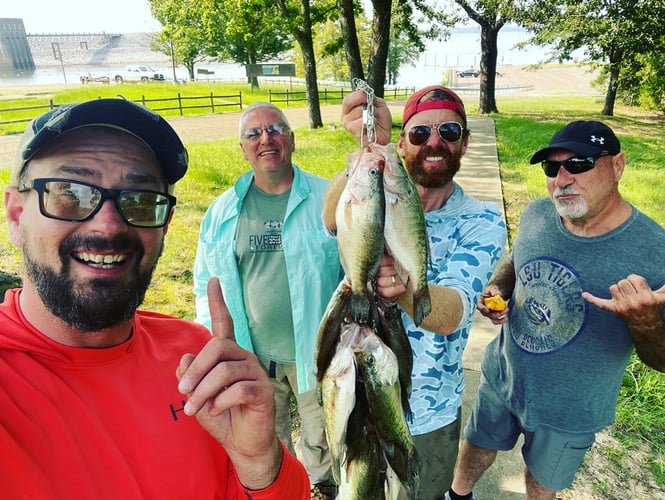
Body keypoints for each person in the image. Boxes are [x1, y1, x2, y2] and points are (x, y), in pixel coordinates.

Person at [0, 98, 310, 498]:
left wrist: (260, 464)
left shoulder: (200, 363)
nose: (109, 225)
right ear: (16, 214)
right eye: (70, 194)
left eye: (141, 200)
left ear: (164, 225)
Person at [447, 120, 665, 500]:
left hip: (570, 408)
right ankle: (457, 495)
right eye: (552, 168)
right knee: (476, 443)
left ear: (617, 165)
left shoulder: (654, 251)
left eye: (578, 164)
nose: (561, 178)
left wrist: (644, 323)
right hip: (503, 375)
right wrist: (500, 287)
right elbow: (515, 262)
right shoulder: (537, 214)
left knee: (541, 479)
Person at [323, 86, 507, 499]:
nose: (435, 142)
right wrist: (371, 150)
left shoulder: (482, 221)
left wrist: (405, 288)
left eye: (450, 130)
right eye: (420, 133)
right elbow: (332, 217)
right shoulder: (374, 185)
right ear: (404, 141)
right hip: (354, 395)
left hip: (428, 414)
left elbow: (451, 314)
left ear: (465, 142)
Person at [193, 102, 341, 498]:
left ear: (291, 140)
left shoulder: (328, 200)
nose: (266, 139)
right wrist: (218, 345)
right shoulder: (223, 211)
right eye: (253, 134)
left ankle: (323, 490)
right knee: (265, 440)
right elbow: (206, 282)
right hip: (253, 360)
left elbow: (353, 275)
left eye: (275, 129)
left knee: (322, 438)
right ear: (243, 149)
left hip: (318, 357)